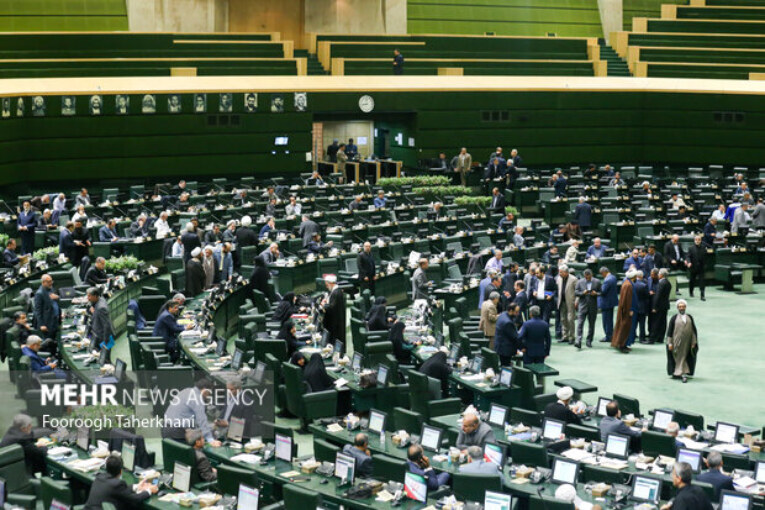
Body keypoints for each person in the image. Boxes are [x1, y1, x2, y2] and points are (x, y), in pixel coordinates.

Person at [83, 454, 157, 509]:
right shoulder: (118, 484)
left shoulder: (99, 477)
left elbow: (120, 491)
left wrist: (137, 486)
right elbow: (134, 499)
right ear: (121, 471)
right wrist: (149, 490)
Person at [162, 379, 221, 445]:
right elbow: (202, 421)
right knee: (196, 446)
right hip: (176, 433)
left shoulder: (186, 390)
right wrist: (211, 440)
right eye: (209, 393)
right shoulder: (198, 398)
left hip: (165, 429)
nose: (208, 396)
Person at [666, 300, 698, 383]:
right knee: (678, 357)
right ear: (677, 308)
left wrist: (694, 342)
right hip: (676, 342)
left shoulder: (689, 317)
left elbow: (693, 331)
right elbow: (670, 331)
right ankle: (680, 372)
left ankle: (682, 373)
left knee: (684, 357)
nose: (681, 308)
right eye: (680, 307)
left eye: (683, 306)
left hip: (687, 342)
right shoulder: (674, 318)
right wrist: (669, 343)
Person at [612, 269, 637, 353]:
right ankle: (622, 345)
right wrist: (630, 309)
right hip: (626, 311)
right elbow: (628, 299)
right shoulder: (628, 285)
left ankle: (623, 344)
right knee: (624, 327)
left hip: (625, 310)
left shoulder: (627, 283)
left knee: (624, 327)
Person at [575, 269, 601, 348]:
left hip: (593, 306)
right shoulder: (580, 282)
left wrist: (596, 293)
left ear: (591, 275)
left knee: (591, 324)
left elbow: (601, 292)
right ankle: (578, 340)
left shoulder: (597, 282)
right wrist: (582, 293)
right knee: (580, 323)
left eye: (588, 276)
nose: (587, 278)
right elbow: (576, 292)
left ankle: (589, 340)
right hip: (582, 306)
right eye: (585, 277)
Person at [86, 287, 115, 354]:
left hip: (103, 338)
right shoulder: (100, 300)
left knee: (103, 357)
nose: (88, 298)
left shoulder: (101, 308)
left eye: (89, 296)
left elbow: (106, 325)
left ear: (95, 296)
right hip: (99, 336)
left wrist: (105, 343)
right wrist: (93, 312)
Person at [321, 274, 346, 347]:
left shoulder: (336, 292)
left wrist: (324, 305)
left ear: (331, 283)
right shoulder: (335, 291)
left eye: (327, 284)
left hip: (336, 323)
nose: (326, 286)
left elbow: (332, 307)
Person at [34, 273, 60, 341]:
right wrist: (41, 324)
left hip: (55, 320)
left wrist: (57, 297)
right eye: (48, 282)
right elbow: (38, 311)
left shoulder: (51, 288)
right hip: (47, 322)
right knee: (49, 341)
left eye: (51, 281)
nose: (51, 283)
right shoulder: (39, 294)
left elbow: (54, 303)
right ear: (43, 282)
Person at [556, 265, 577, 345]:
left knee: (570, 319)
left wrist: (576, 301)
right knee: (563, 319)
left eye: (561, 272)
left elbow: (577, 291)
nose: (559, 274)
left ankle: (572, 337)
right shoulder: (559, 279)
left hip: (571, 302)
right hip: (562, 302)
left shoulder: (574, 279)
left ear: (566, 272)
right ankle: (565, 336)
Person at [650, 268, 672, 344]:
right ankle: (660, 338)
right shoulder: (668, 282)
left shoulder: (661, 283)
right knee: (663, 322)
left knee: (656, 322)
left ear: (662, 275)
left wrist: (654, 307)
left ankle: (652, 339)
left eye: (659, 274)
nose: (658, 275)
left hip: (659, 306)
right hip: (665, 305)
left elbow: (658, 296)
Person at [686, 235, 706, 300]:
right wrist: (689, 262)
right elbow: (688, 256)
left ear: (701, 240)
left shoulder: (703, 247)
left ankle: (702, 295)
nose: (697, 241)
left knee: (702, 281)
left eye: (699, 240)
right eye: (696, 240)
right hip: (693, 267)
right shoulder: (691, 248)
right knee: (692, 281)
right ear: (694, 240)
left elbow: (705, 257)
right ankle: (691, 292)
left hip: (701, 268)